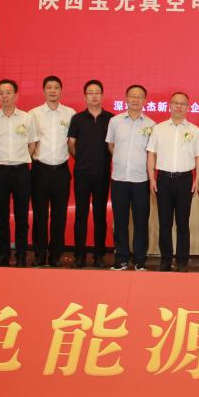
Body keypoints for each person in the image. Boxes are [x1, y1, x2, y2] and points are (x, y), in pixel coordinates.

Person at [0, 78, 38, 267]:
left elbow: (32, 144)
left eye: (8, 93)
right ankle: (3, 254)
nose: (4, 96)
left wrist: (21, 158)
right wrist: (1, 160)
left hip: (21, 171)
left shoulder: (27, 118)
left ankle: (21, 254)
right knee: (1, 215)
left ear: (16, 95)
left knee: (22, 215)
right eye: (1, 93)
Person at [147, 91, 199, 272]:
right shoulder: (159, 129)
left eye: (183, 104)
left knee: (182, 223)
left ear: (188, 107)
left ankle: (181, 261)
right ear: (169, 105)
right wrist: (152, 178)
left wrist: (197, 179)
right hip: (163, 179)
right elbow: (151, 154)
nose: (179, 106)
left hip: (185, 179)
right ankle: (165, 260)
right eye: (175, 103)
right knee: (164, 222)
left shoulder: (194, 130)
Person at [104, 84, 155, 271]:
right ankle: (122, 258)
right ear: (126, 98)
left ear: (145, 101)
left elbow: (152, 153)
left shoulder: (151, 125)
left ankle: (140, 260)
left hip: (141, 179)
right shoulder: (115, 121)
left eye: (139, 96)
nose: (135, 99)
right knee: (120, 221)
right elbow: (111, 145)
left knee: (141, 221)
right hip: (119, 179)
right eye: (132, 96)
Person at [29, 75, 74, 267]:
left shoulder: (70, 113)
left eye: (56, 87)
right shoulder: (33, 114)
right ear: (44, 90)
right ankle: (39, 254)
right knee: (39, 215)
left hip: (61, 171)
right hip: (40, 170)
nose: (53, 91)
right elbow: (29, 142)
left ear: (61, 91)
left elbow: (72, 142)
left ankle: (56, 254)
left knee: (59, 215)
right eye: (49, 87)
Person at [68, 79, 113, 269]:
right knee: (81, 214)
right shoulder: (77, 119)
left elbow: (113, 146)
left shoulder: (111, 119)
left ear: (102, 95)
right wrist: (82, 160)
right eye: (90, 93)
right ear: (85, 96)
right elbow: (71, 144)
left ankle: (99, 256)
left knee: (100, 215)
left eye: (97, 93)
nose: (94, 96)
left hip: (102, 173)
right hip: (82, 173)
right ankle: (79, 256)